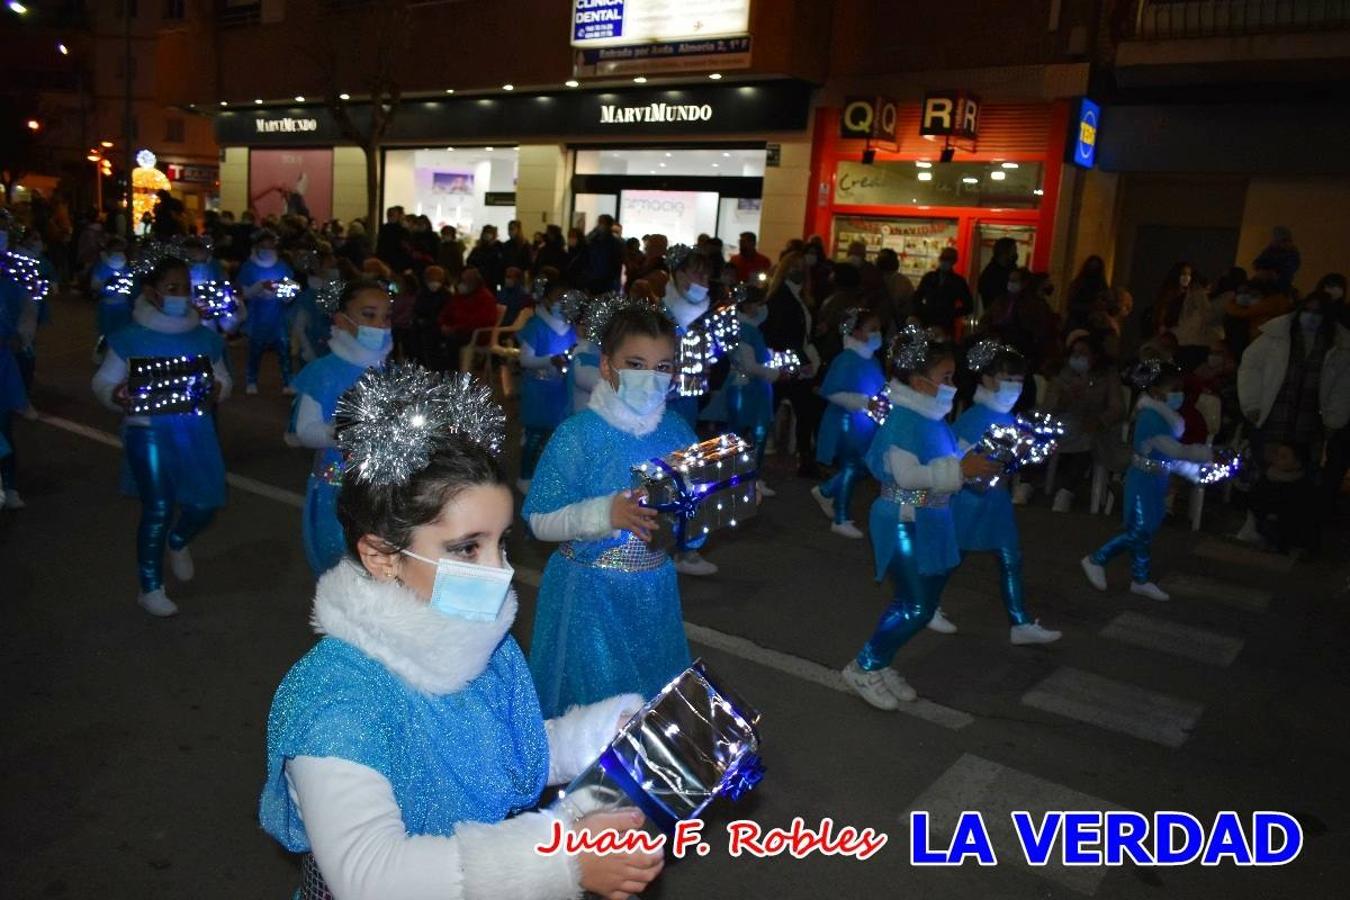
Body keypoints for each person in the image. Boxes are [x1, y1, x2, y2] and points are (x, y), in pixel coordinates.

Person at [260, 366, 663, 900]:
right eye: (466, 548)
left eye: (501, 543)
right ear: (381, 557)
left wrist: (603, 733)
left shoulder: (478, 643)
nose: (498, 570)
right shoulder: (337, 697)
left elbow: (498, 749)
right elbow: (371, 874)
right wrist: (563, 859)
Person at [524, 306, 705, 720]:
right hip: (590, 597)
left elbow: (690, 524)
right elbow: (538, 519)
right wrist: (606, 514)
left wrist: (706, 510)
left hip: (654, 590)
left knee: (651, 704)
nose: (650, 377)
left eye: (663, 366)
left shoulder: (678, 432)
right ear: (607, 366)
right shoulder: (578, 435)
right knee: (599, 715)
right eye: (635, 364)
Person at [841, 328, 1002, 709]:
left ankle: (880, 662)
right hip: (903, 518)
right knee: (915, 605)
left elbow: (946, 463)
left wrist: (979, 466)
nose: (952, 385)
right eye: (946, 378)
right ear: (918, 381)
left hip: (933, 519)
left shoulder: (934, 418)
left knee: (920, 603)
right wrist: (962, 469)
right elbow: (907, 476)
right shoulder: (904, 421)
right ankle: (864, 665)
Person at [91, 256, 232, 616]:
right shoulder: (130, 338)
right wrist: (116, 395)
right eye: (173, 288)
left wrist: (218, 388)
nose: (181, 295)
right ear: (152, 293)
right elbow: (103, 382)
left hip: (195, 431)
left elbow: (222, 378)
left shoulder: (204, 338)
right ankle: (150, 585)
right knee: (158, 506)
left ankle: (179, 538)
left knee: (204, 503)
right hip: (148, 431)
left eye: (186, 288)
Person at [948, 342, 1062, 644]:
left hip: (995, 501)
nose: (1014, 386)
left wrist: (1027, 452)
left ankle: (1020, 622)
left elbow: (1005, 463)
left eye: (1019, 380)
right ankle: (924, 604)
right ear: (985, 378)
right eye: (1006, 378)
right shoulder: (975, 417)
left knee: (1010, 556)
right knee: (952, 557)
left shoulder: (1009, 417)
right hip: (969, 501)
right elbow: (959, 458)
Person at [287, 279, 394, 577]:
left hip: (383, 491)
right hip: (337, 489)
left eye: (386, 317)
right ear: (342, 321)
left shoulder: (389, 371)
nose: (380, 325)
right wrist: (344, 432)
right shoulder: (324, 372)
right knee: (342, 567)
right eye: (369, 315)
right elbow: (305, 431)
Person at [1081, 360, 1213, 601]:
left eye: (1179, 389)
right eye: (1173, 389)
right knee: (1139, 531)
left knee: (1146, 531)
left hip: (1155, 481)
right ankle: (1096, 559)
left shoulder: (1165, 417)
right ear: (1155, 391)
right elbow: (1174, 451)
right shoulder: (1151, 418)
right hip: (1142, 481)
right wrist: (1207, 454)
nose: (1178, 394)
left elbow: (1169, 456)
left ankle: (1139, 579)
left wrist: (1194, 472)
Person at [1236, 290, 1350, 546]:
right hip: (1275, 413)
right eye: (1307, 311)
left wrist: (1334, 419)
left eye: (1317, 313)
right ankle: (1255, 523)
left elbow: (1343, 386)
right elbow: (1250, 366)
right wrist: (1252, 404)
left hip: (1310, 420)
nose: (1311, 318)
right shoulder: (1277, 337)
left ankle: (1291, 530)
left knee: (1302, 475)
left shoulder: (1338, 346)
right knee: (1266, 470)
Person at [811, 309, 885, 539]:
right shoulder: (846, 359)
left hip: (866, 423)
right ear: (856, 331)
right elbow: (833, 392)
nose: (877, 334)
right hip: (847, 421)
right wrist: (865, 403)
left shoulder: (872, 360)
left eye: (878, 329)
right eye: (871, 329)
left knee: (862, 466)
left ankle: (826, 491)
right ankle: (840, 517)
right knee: (852, 465)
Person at [762, 249, 824, 476]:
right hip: (786, 362)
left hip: (794, 361)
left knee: (801, 409)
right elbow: (783, 334)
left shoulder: (799, 297)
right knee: (781, 409)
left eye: (801, 266)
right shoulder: (781, 298)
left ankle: (803, 458)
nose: (798, 270)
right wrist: (802, 358)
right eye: (793, 266)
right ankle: (801, 459)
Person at [1051, 331, 1126, 512]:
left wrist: (1100, 420)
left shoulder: (1108, 376)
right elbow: (1050, 406)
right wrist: (1066, 398)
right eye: (1074, 353)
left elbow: (1117, 408)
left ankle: (1066, 490)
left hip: (1096, 426)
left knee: (1088, 440)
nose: (1077, 358)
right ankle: (1026, 482)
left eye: (1083, 353)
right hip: (1068, 424)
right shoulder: (1065, 375)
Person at [515, 282, 576, 494]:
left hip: (561, 390)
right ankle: (525, 476)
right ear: (546, 299)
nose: (562, 303)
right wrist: (550, 360)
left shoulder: (570, 328)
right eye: (558, 298)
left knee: (558, 436)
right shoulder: (536, 326)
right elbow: (524, 359)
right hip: (539, 391)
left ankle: (552, 478)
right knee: (535, 436)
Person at [725, 284, 784, 498]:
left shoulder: (748, 328)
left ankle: (744, 479)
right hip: (749, 389)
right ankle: (746, 480)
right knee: (751, 435)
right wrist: (774, 373)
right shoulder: (745, 329)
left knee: (742, 435)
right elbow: (749, 365)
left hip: (751, 388)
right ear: (748, 306)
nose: (762, 308)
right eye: (759, 304)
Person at [236, 228, 297, 395]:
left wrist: (280, 290)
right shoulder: (249, 267)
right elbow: (243, 292)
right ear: (256, 247)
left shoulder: (282, 266)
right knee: (255, 350)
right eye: (264, 246)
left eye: (270, 246)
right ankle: (251, 381)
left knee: (284, 349)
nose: (267, 250)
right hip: (258, 315)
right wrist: (259, 287)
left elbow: (291, 292)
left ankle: (288, 382)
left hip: (278, 315)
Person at [659, 243, 712, 430]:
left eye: (707, 276)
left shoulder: (702, 320)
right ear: (680, 275)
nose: (705, 283)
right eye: (699, 275)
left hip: (689, 405)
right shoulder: (660, 317)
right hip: (661, 409)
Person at [437, 268, 499, 370]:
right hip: (457, 330)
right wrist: (443, 324)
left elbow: (481, 321)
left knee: (452, 342)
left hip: (474, 334)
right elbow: (445, 312)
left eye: (466, 281)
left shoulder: (485, 298)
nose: (462, 284)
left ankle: (453, 374)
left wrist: (455, 328)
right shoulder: (459, 296)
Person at [913, 247, 972, 338]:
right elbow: (917, 297)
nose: (945, 261)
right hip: (928, 321)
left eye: (948, 259)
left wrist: (950, 313)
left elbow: (969, 306)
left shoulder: (958, 281)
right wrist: (921, 312)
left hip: (945, 325)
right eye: (943, 258)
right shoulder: (929, 277)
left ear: (954, 261)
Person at [412, 265, 451, 368]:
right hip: (423, 325)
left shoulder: (446, 295)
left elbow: (446, 313)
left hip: (438, 325)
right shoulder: (422, 293)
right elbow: (417, 309)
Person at [976, 237, 1019, 318]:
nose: (1016, 253)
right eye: (1014, 250)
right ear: (1005, 252)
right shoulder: (991, 273)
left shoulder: (1010, 269)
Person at [1251, 225, 1300, 293]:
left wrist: (1272, 273)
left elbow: (1287, 271)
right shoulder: (1269, 250)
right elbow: (1256, 263)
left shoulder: (1292, 254)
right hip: (1264, 284)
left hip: (1279, 286)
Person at [583, 215, 624, 294]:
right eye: (599, 222)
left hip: (607, 280)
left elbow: (617, 264)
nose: (599, 225)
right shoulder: (593, 239)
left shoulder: (615, 242)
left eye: (602, 223)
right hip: (592, 278)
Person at [467, 225, 505, 293]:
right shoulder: (477, 249)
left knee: (498, 296)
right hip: (480, 281)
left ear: (494, 235)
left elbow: (502, 266)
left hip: (496, 282)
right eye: (485, 233)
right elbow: (470, 262)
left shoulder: (500, 248)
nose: (487, 235)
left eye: (489, 233)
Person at [375, 205, 411, 273]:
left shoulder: (383, 228)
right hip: (398, 262)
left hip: (384, 261)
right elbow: (405, 247)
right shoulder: (402, 230)